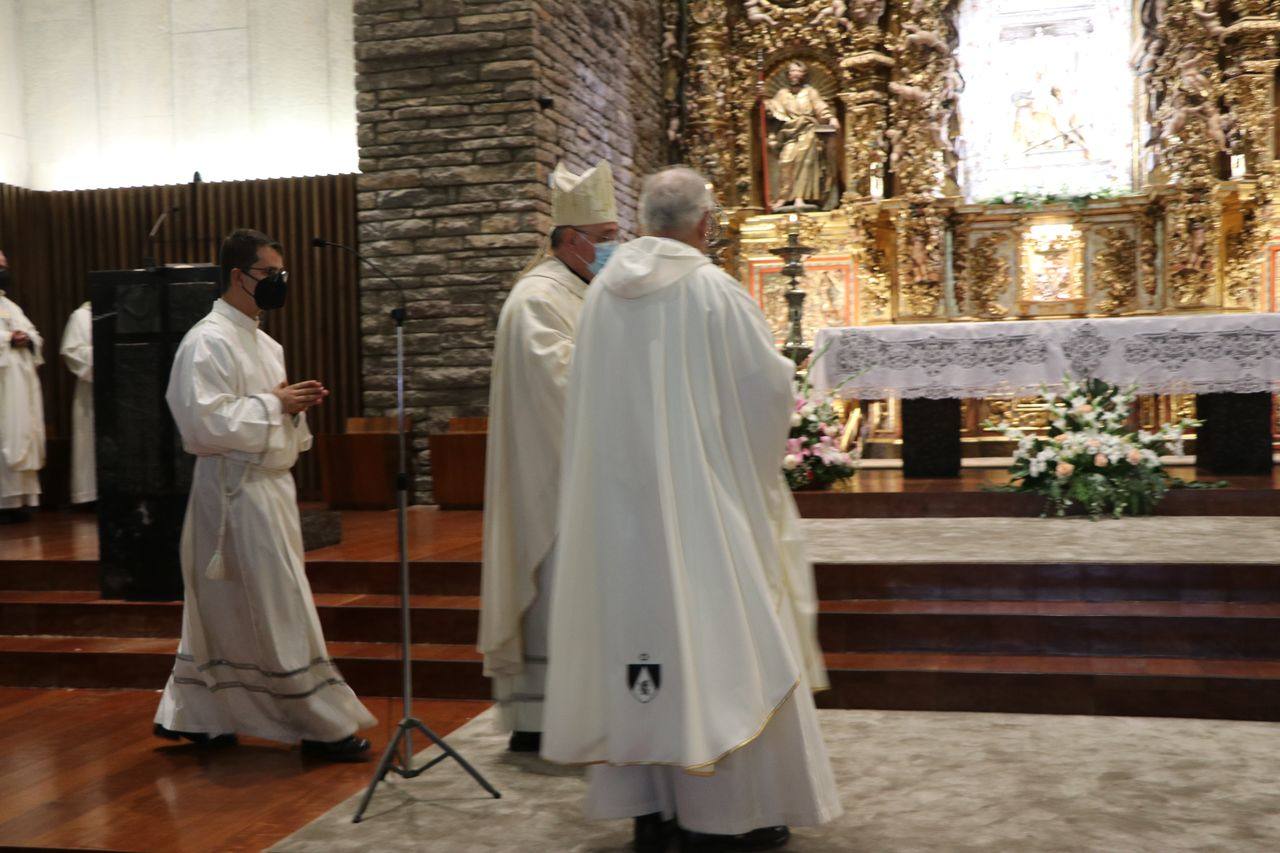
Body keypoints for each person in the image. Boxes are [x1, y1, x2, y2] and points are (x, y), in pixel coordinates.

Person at [542, 167, 841, 851]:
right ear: (705, 222)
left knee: (639, 652)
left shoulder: (602, 296)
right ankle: (727, 815)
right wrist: (749, 473)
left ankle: (651, 807)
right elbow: (765, 391)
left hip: (619, 512)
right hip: (703, 501)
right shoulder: (712, 289)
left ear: (645, 220)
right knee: (723, 643)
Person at [153, 228, 376, 759]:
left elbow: (265, 411)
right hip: (233, 495)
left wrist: (290, 406)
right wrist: (275, 405)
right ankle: (321, 726)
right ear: (238, 276)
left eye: (282, 274)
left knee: (231, 609)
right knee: (276, 606)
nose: (279, 283)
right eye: (270, 274)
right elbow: (201, 425)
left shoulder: (264, 342)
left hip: (269, 489)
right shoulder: (206, 340)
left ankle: (202, 715)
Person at [478, 161, 620, 753]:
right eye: (606, 239)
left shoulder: (577, 290)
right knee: (555, 587)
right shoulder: (537, 298)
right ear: (570, 239)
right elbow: (560, 382)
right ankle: (540, 719)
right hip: (553, 477)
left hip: (580, 470)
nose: (614, 249)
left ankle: (577, 711)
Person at [0, 249, 45, 523]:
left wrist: (26, 339)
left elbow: (35, 335)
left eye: (5, 264)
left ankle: (20, 502)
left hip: (20, 384)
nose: (3, 270)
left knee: (22, 431)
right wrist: (7, 339)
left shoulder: (11, 306)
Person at [769, 60, 839, 210]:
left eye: (798, 71)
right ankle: (784, 196)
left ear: (803, 75)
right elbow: (772, 109)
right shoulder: (782, 94)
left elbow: (821, 108)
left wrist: (832, 118)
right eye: (792, 71)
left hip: (808, 130)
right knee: (786, 161)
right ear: (788, 74)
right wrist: (762, 102)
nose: (794, 74)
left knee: (805, 161)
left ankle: (800, 198)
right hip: (789, 132)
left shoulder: (810, 92)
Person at [60, 301, 96, 505]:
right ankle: (91, 495)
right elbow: (72, 351)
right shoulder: (81, 316)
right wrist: (102, 350)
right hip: (91, 391)